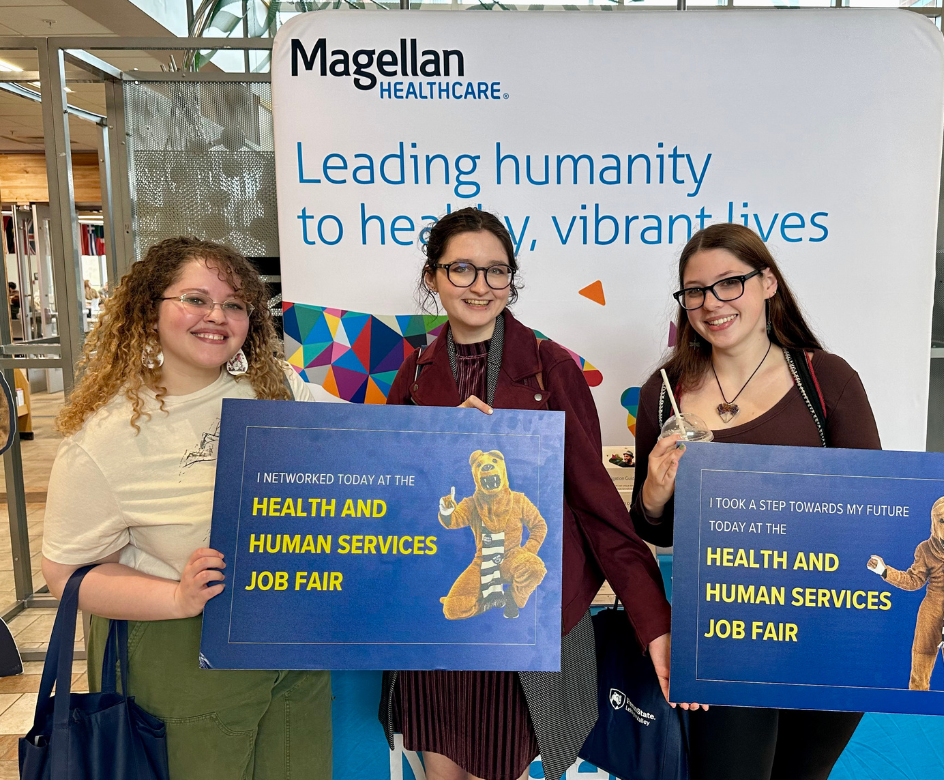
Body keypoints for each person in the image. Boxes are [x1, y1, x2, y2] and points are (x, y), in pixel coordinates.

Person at [629, 223, 944, 780]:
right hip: (729, 638)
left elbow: (883, 516)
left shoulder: (826, 380)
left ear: (768, 283)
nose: (711, 303)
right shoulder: (664, 391)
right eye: (695, 291)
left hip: (829, 634)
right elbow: (658, 531)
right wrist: (654, 491)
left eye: (729, 283)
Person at [380, 207, 674, 780]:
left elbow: (596, 504)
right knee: (441, 773)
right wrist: (441, 447)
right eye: (461, 269)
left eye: (497, 271)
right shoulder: (416, 373)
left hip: (522, 618)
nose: (481, 285)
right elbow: (396, 498)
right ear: (432, 277)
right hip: (441, 622)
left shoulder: (548, 368)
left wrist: (652, 618)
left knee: (501, 768)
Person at [41, 237, 332, 780]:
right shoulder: (106, 434)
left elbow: (372, 439)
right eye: (195, 299)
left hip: (292, 641)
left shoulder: (277, 388)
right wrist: (175, 597)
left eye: (235, 304)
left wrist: (458, 428)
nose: (216, 316)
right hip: (181, 648)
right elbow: (66, 573)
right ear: (150, 310)